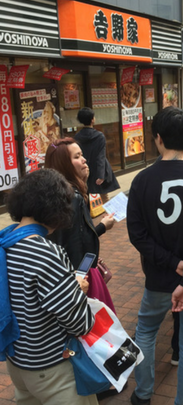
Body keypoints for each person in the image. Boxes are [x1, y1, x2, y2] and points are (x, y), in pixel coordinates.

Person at [127, 107, 183, 405]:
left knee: (145, 333)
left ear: (158, 138)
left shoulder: (141, 181)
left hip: (157, 277)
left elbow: (137, 235)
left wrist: (170, 263)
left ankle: (142, 394)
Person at [3, 169, 96, 405]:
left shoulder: (6, 242)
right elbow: (80, 322)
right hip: (51, 367)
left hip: (18, 362)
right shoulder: (45, 252)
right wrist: (77, 290)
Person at [45, 139, 117, 314]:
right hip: (78, 280)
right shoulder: (73, 197)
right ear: (64, 164)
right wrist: (102, 227)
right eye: (77, 156)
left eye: (82, 155)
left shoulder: (53, 193)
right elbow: (78, 244)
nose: (84, 160)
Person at [74, 107, 120, 203]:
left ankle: (88, 217)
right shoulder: (99, 136)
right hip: (99, 168)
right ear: (92, 120)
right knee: (104, 197)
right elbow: (101, 156)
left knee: (85, 196)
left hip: (84, 168)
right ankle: (108, 216)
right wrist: (101, 175)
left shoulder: (77, 137)